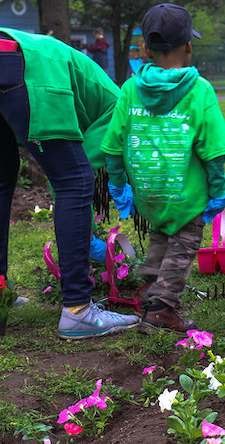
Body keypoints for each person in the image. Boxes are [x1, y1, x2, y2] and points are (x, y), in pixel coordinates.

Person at [0, 27, 141, 339]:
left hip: (9, 54)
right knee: (76, 181)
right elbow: (76, 173)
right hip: (32, 67)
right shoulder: (121, 109)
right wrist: (88, 235)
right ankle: (79, 310)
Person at [101, 3, 225, 333]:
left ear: (144, 48)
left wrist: (118, 187)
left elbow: (114, 146)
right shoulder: (198, 90)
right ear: (189, 46)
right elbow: (213, 150)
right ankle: (162, 308)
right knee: (183, 246)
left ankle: (149, 290)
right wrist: (217, 191)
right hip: (185, 194)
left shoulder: (130, 89)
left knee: (161, 236)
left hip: (148, 192)